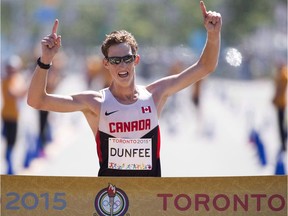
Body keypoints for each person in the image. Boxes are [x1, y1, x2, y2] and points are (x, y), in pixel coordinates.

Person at [27, 1, 222, 177]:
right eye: (115, 60)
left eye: (127, 59)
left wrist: (213, 35)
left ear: (135, 60)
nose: (122, 66)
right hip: (112, 203)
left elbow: (205, 67)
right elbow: (37, 101)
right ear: (106, 64)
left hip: (149, 200)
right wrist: (45, 61)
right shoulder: (95, 103)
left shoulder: (155, 94)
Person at [1, 55, 27, 174]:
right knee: (9, 142)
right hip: (7, 116)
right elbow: (13, 94)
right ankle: (9, 166)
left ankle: (11, 164)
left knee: (13, 142)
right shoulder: (6, 81)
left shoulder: (18, 78)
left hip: (16, 116)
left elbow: (23, 92)